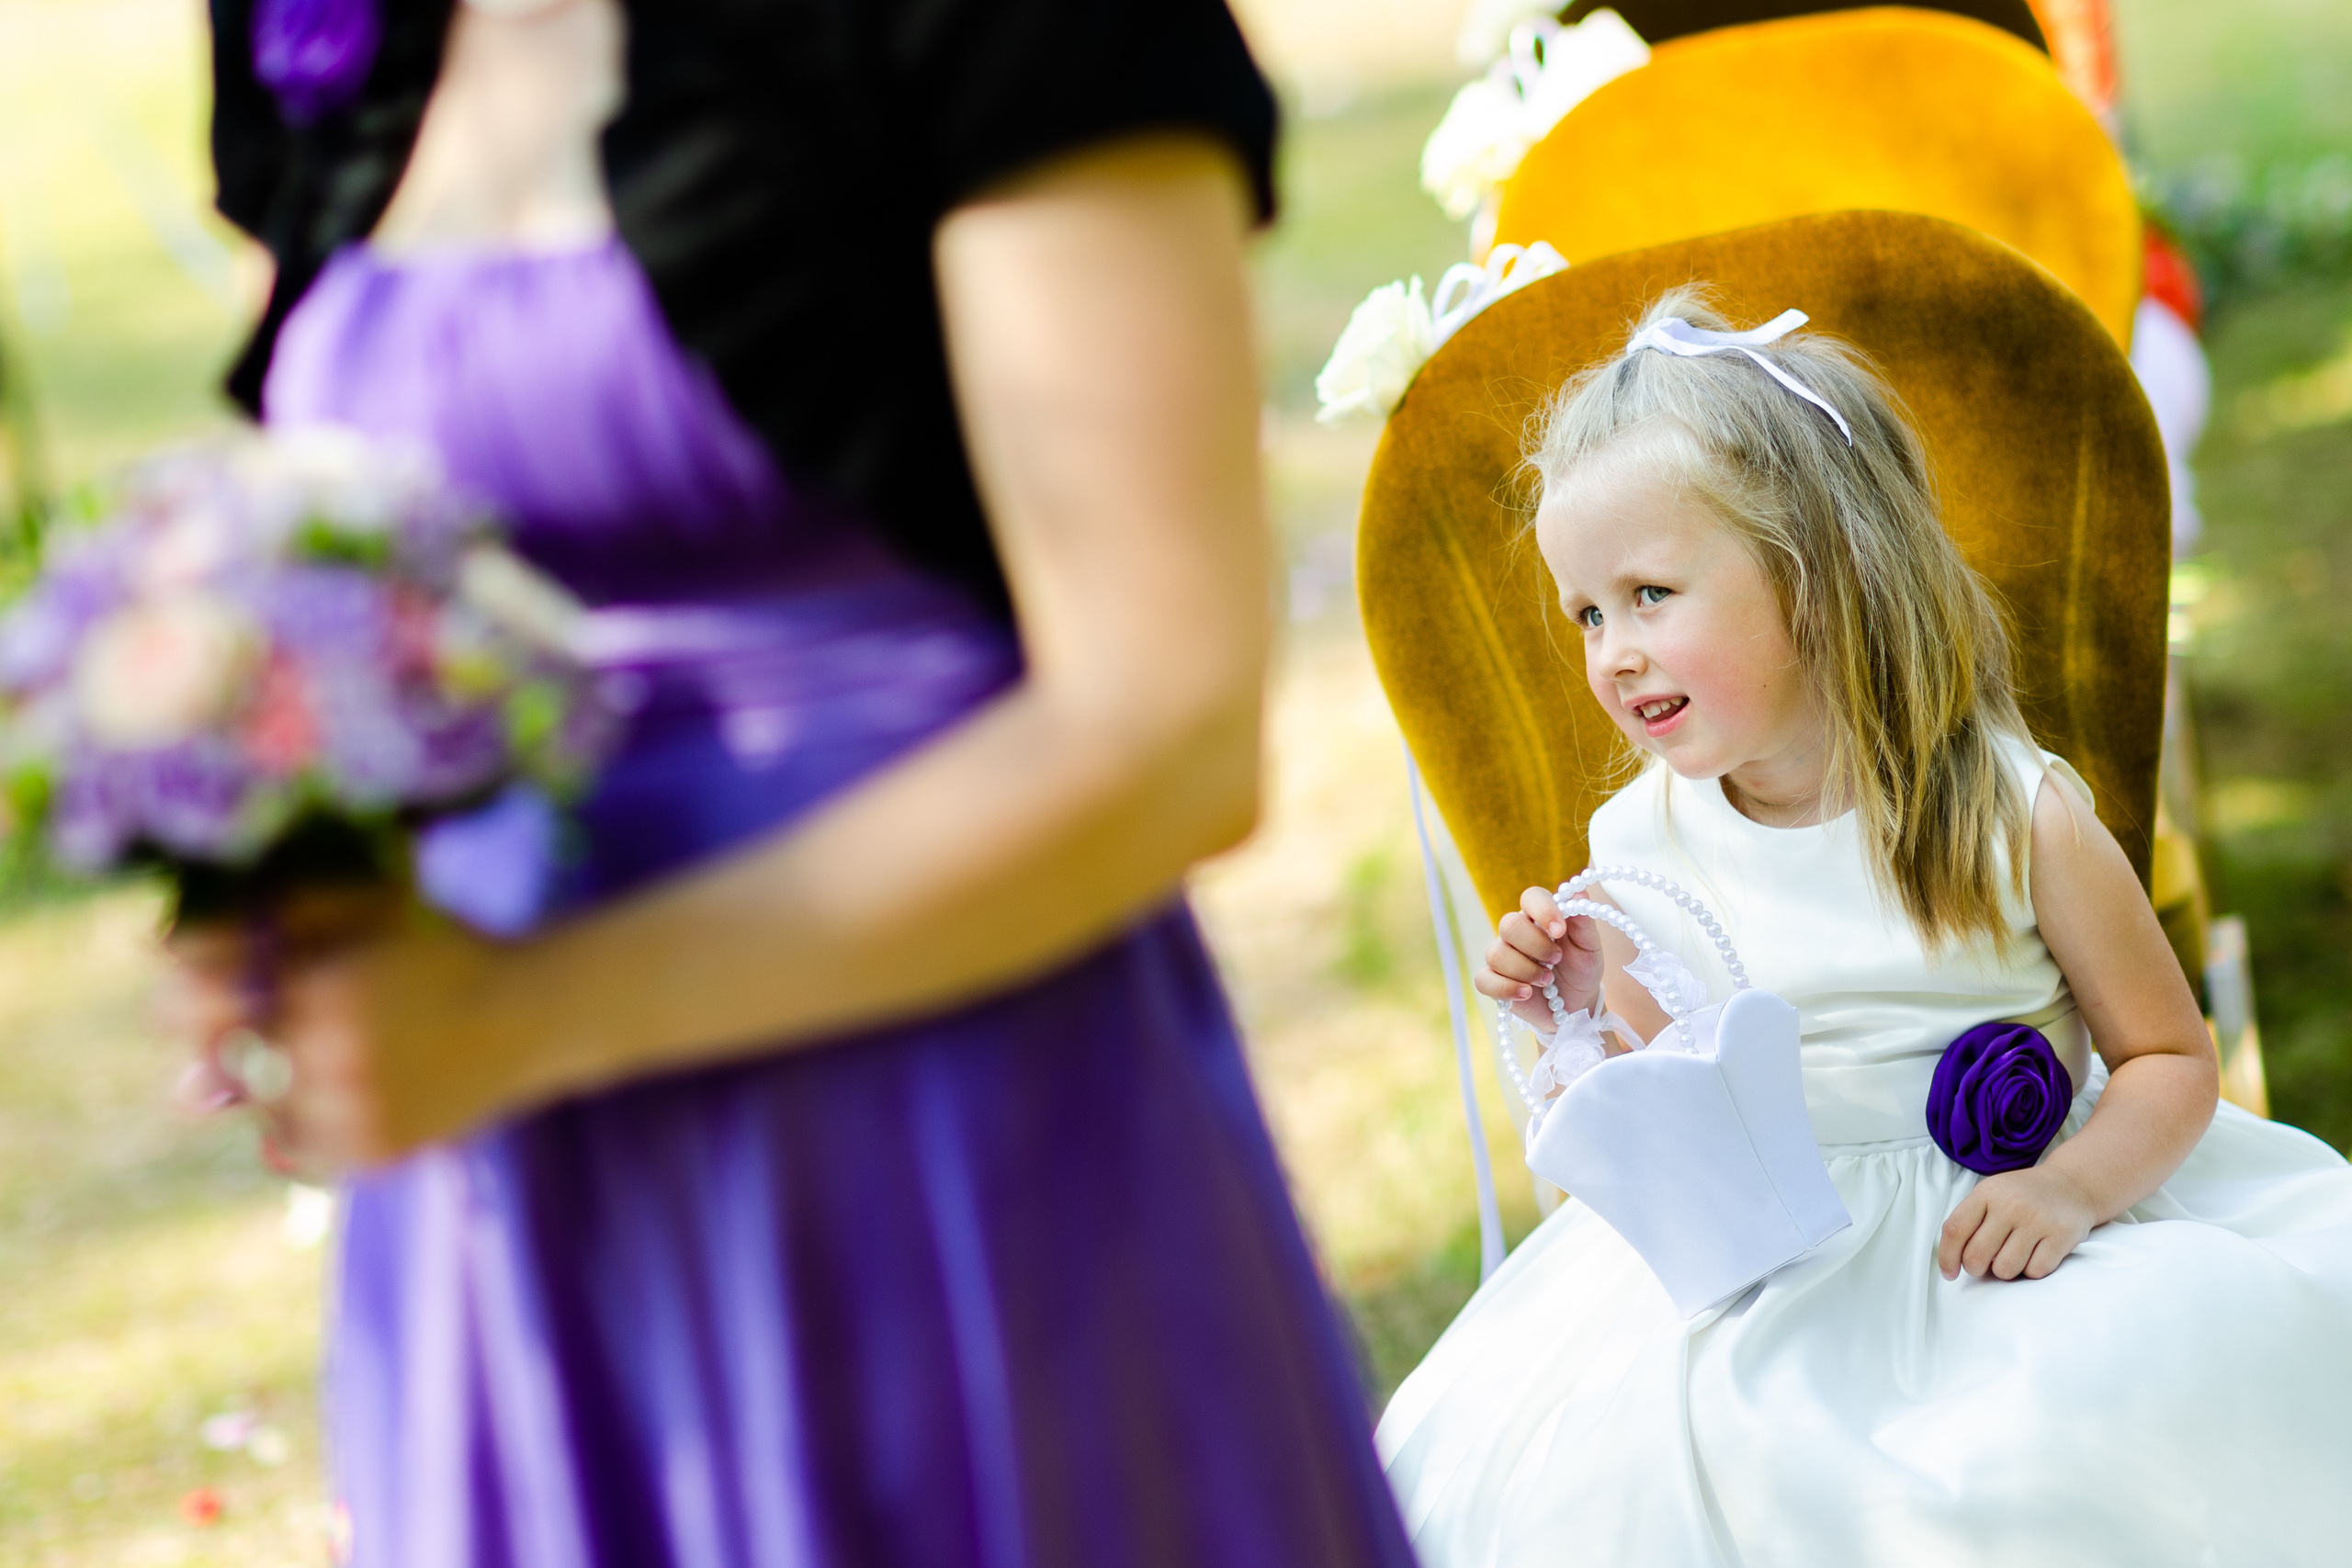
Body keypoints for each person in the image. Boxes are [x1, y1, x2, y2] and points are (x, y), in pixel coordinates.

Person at [175, 0, 1420, 1562]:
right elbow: (307, 552)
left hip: (936, 1143)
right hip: (507, 1206)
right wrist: (263, 866)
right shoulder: (310, 28)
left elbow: (1168, 727)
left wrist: (533, 1013)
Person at [1375, 288, 2352, 1567]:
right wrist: (1572, 1013)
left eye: (1651, 593)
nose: (1613, 653)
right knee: (1663, 1482)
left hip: (2006, 1243)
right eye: (1588, 614)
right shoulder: (1640, 853)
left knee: (2064, 1450)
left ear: (1818, 578)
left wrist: (2071, 1189)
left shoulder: (2015, 813)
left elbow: (2172, 1057)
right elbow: (1683, 1119)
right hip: (1776, 1270)